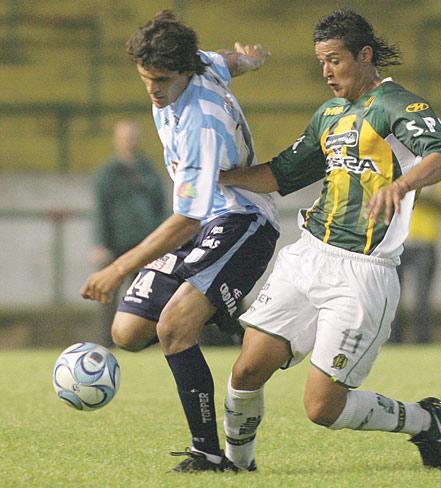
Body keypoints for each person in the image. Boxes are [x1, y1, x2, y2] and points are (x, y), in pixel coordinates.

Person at [219, 9, 441, 471]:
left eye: (335, 60)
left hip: (363, 273)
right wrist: (222, 178)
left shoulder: (397, 105)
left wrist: (402, 185)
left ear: (364, 55)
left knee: (322, 408)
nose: (327, 72)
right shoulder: (329, 114)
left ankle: (424, 420)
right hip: (308, 256)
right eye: (321, 62)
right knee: (247, 369)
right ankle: (235, 465)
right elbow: (281, 174)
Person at [80, 10, 279, 472]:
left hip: (241, 221)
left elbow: (186, 221)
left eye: (161, 80)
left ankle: (207, 453)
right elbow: (225, 60)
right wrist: (248, 61)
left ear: (184, 72)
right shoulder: (198, 63)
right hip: (206, 221)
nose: (152, 89)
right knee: (127, 332)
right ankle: (221, 314)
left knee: (172, 328)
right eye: (145, 77)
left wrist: (117, 268)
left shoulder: (201, 124)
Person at [91, 120, 167, 346]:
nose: (129, 141)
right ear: (116, 139)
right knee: (107, 296)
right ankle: (106, 342)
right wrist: (100, 243)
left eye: (132, 136)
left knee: (145, 296)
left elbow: (160, 205)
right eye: (125, 137)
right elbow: (100, 210)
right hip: (116, 244)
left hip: (144, 243)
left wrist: (162, 240)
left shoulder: (148, 169)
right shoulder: (108, 173)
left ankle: (144, 341)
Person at [391, 180, 441, 344]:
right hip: (399, 241)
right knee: (393, 296)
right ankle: (393, 342)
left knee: (422, 298)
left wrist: (417, 193)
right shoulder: (401, 169)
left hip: (426, 242)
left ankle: (422, 342)